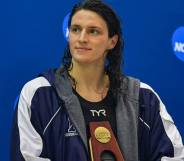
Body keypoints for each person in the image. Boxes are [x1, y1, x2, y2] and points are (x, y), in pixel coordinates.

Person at [11, 0, 184, 161]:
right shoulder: (39, 94)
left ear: (112, 41)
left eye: (93, 31)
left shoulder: (143, 97)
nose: (82, 38)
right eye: (76, 29)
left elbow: (174, 156)